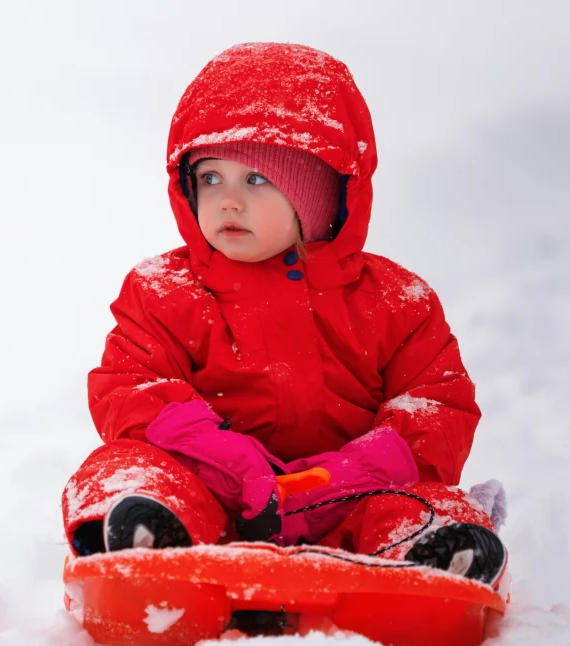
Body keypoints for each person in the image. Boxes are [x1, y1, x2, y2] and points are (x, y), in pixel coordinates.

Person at [62, 42, 506, 587]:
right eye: (210, 178)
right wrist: (222, 457)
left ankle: (430, 555)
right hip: (215, 493)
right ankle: (147, 538)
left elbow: (437, 404)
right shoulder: (163, 291)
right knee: (121, 469)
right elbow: (132, 387)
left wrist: (354, 471)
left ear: (323, 194)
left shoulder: (396, 301)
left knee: (425, 500)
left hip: (355, 498)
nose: (227, 201)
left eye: (256, 179)